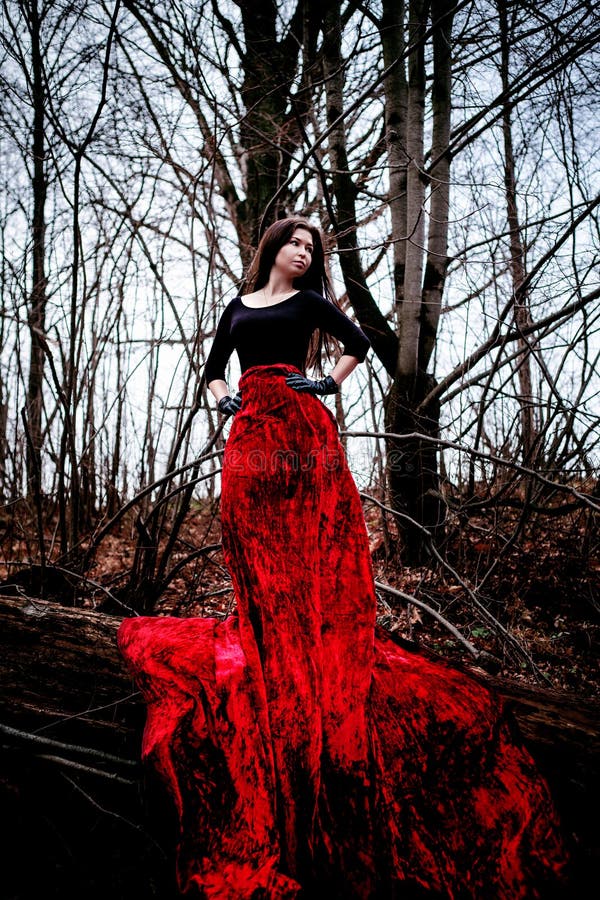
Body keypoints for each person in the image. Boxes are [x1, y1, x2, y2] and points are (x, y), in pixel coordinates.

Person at [118, 217, 568, 899]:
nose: (302, 253)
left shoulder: (310, 306)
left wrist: (328, 381)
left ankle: (310, 642)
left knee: (310, 546)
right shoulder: (238, 308)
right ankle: (269, 641)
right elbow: (211, 372)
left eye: (312, 249)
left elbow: (362, 343)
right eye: (294, 244)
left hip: (302, 432)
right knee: (253, 545)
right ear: (271, 248)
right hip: (249, 439)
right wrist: (222, 400)